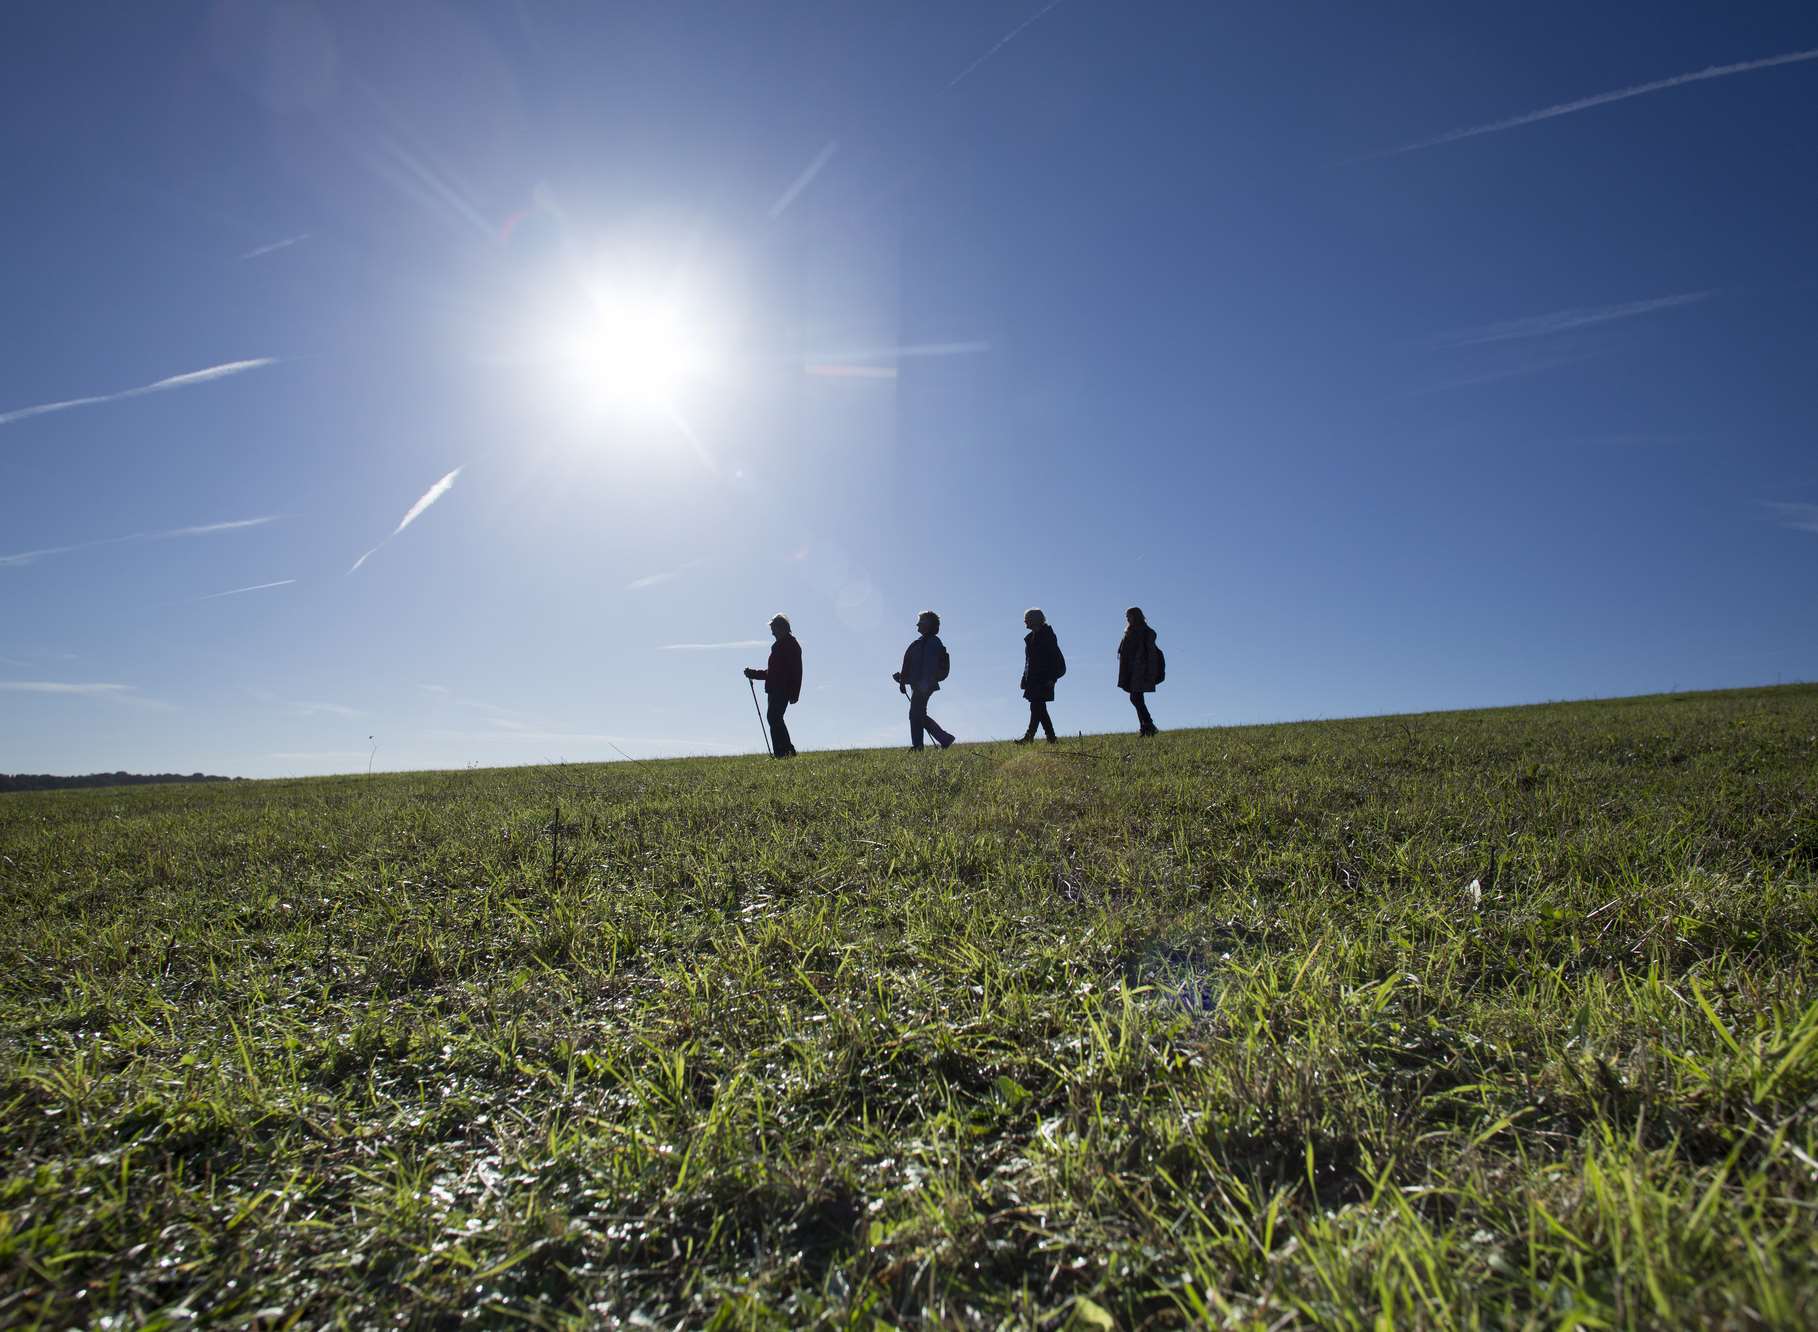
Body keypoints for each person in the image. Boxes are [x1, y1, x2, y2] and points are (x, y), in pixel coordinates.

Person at [893, 610, 955, 750]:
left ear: (928, 624)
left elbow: (925, 667)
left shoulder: (930, 643)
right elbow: (914, 667)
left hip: (924, 685)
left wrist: (911, 681)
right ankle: (943, 738)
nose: (917, 625)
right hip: (922, 684)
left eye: (920, 622)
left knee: (915, 714)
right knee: (918, 714)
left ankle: (920, 746)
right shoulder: (925, 643)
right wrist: (902, 680)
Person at [743, 614, 802, 757]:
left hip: (782, 688)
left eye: (773, 628)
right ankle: (784, 752)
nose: (772, 632)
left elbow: (797, 670)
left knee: (774, 717)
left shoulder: (789, 645)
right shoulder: (781, 645)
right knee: (774, 718)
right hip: (775, 689)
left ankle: (785, 752)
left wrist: (795, 692)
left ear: (781, 628)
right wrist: (754, 674)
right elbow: (772, 672)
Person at [1016, 607, 1065, 744]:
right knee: (1039, 709)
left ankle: (1029, 737)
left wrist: (1052, 678)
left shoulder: (1047, 635)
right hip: (1033, 679)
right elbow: (1029, 662)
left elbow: (1055, 659)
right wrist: (1024, 678)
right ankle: (1051, 738)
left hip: (1044, 678)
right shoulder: (1032, 638)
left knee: (1037, 707)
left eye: (1027, 619)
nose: (1025, 621)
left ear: (1034, 620)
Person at [1117, 606, 1163, 736]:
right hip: (1132, 670)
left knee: (1136, 698)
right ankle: (1145, 727)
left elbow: (1149, 653)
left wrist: (1149, 671)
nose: (1127, 618)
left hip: (1140, 670)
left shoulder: (1144, 632)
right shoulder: (1130, 631)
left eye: (1129, 616)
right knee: (1136, 698)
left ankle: (1148, 725)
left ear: (1135, 616)